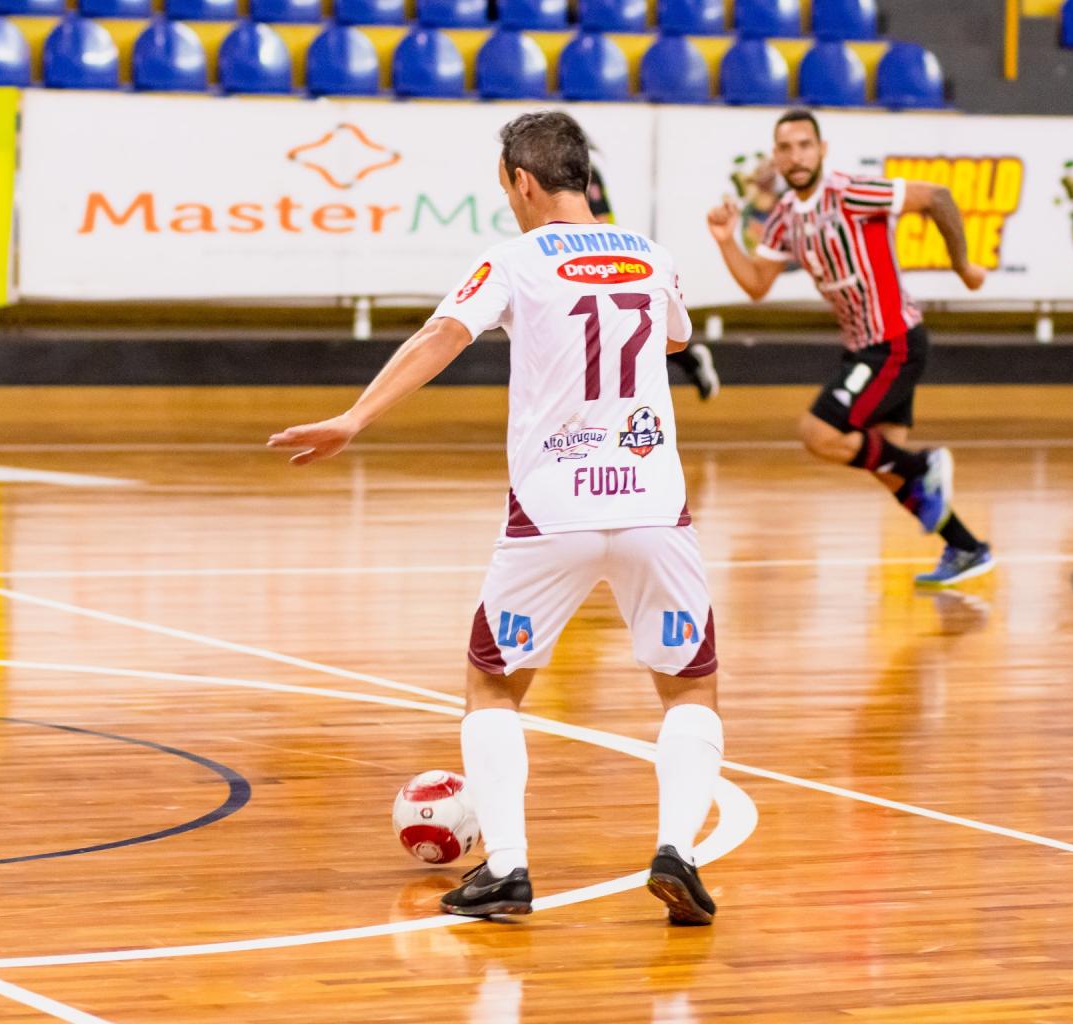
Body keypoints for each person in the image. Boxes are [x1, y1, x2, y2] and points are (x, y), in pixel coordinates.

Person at [269, 111, 724, 925]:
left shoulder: (514, 258)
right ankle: (678, 852)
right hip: (655, 504)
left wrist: (354, 418)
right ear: (583, 176)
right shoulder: (651, 255)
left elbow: (442, 335)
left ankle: (508, 869)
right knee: (689, 688)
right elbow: (674, 337)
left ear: (521, 181)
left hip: (553, 512)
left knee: (492, 684)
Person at [707, 109, 995, 587]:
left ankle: (926, 464)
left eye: (804, 145)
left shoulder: (852, 192)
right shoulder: (783, 218)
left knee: (819, 433)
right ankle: (967, 547)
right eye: (785, 148)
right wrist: (725, 241)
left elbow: (938, 196)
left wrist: (963, 267)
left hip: (893, 342)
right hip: (864, 348)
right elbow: (757, 284)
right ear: (775, 158)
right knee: (885, 465)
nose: (796, 156)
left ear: (822, 150)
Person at [588, 158, 721, 401]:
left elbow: (602, 219)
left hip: (598, 264)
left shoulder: (582, 171)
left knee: (626, 328)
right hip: (585, 266)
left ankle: (690, 362)